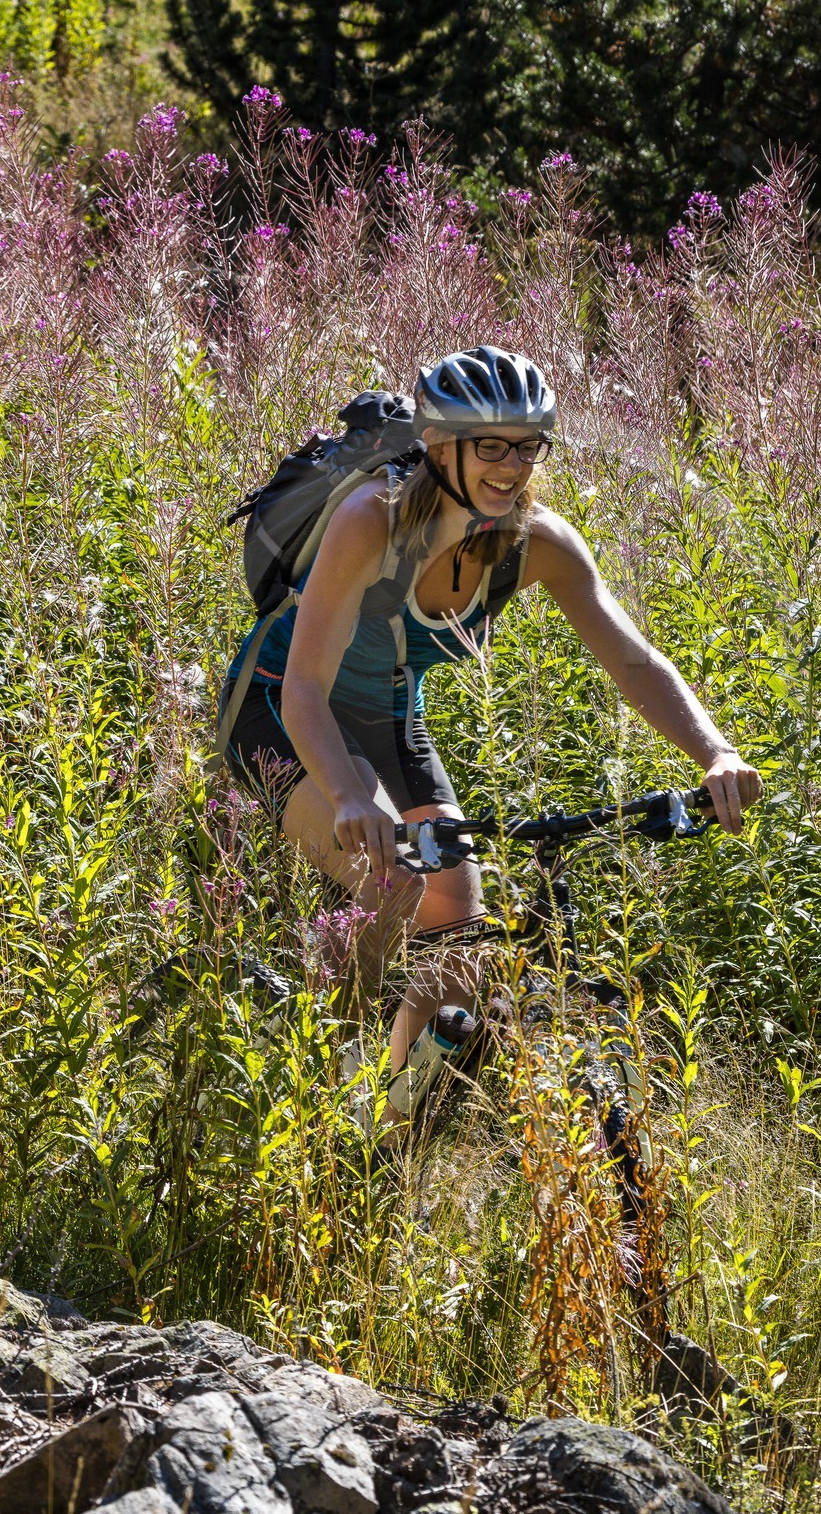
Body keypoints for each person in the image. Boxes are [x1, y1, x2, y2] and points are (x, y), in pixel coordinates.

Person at [220, 345, 762, 1132]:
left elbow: (635, 660)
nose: (511, 466)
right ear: (440, 446)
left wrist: (716, 753)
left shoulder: (537, 542)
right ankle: (318, 1062)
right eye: (491, 446)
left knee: (461, 925)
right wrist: (346, 795)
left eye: (528, 446)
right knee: (394, 878)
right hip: (277, 708)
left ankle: (391, 1126)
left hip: (388, 718)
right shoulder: (369, 520)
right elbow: (304, 688)